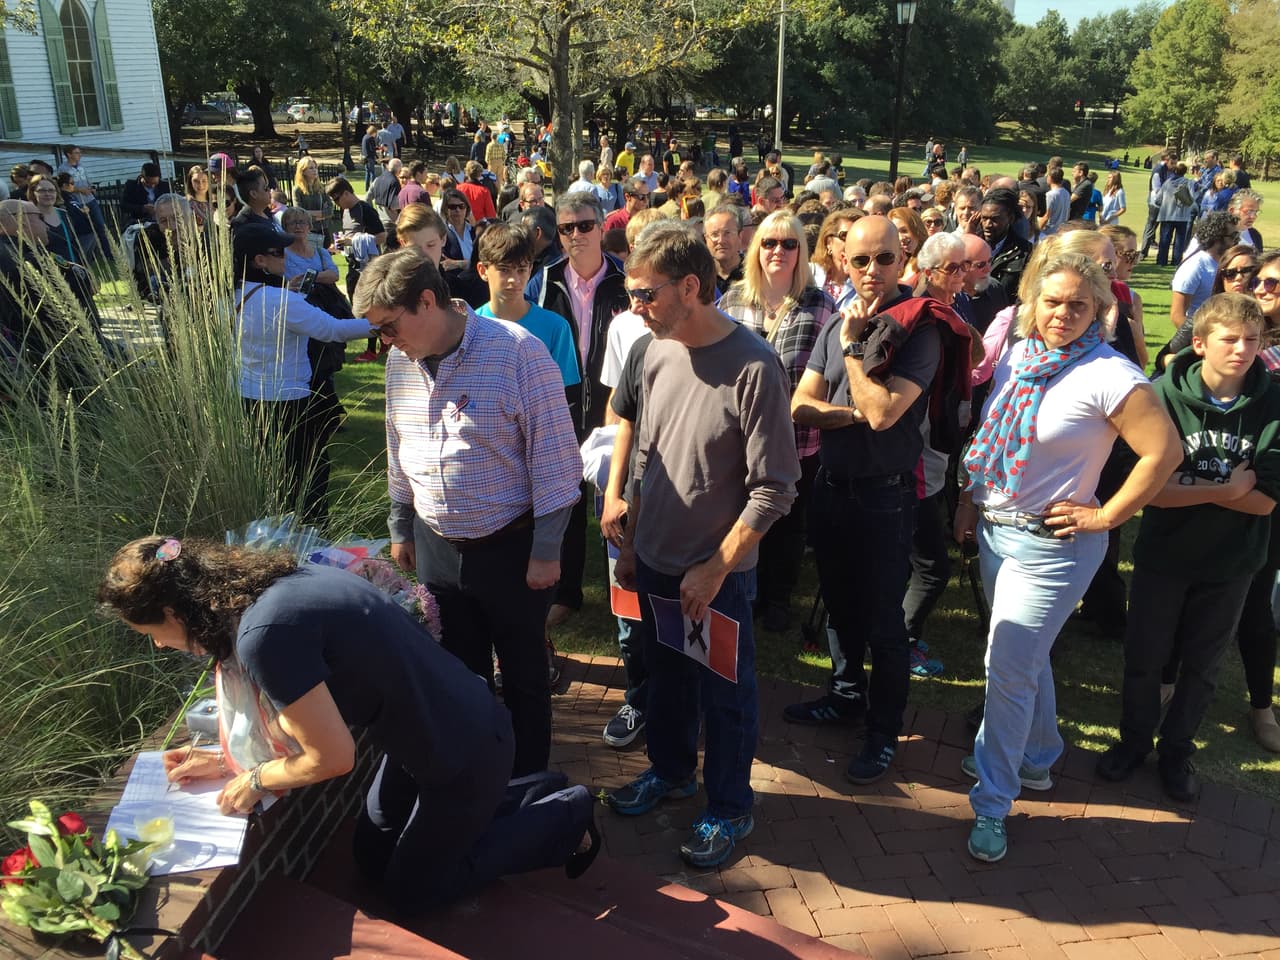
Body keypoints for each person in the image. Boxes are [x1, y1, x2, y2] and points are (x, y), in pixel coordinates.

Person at [98, 537, 599, 915]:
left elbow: (332, 758)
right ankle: (535, 788)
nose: (160, 645)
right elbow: (303, 720)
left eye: (153, 634)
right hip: (423, 739)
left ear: (171, 611)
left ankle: (565, 817)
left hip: (464, 753)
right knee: (371, 858)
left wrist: (253, 779)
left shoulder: (264, 637)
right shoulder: (267, 589)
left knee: (412, 895)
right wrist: (226, 758)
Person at [954, 242, 1180, 863]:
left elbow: (1164, 454)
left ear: (1100, 308)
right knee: (1024, 655)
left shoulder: (1112, 375)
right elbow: (992, 435)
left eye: (1078, 305)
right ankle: (1039, 756)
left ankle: (992, 802)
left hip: (1057, 545)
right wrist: (971, 501)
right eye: (1051, 301)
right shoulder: (1021, 355)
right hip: (998, 530)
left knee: (1006, 663)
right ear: (1031, 300)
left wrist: (1106, 514)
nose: (1062, 314)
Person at [606, 222, 799, 868]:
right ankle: (670, 772)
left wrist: (716, 569)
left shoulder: (754, 365)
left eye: (645, 294)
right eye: (631, 294)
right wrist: (632, 545)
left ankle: (729, 807)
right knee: (667, 681)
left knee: (726, 697)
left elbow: (776, 488)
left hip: (717, 579)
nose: (635, 307)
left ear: (691, 286)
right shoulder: (655, 350)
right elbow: (647, 458)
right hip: (657, 565)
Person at [355, 247, 583, 778]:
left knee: (524, 676)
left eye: (388, 327)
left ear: (428, 301)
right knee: (460, 673)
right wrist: (400, 524)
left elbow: (557, 460)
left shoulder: (518, 354)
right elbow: (398, 444)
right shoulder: (399, 361)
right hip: (436, 546)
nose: (384, 341)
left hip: (512, 548)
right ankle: (478, 775)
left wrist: (547, 551)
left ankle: (526, 785)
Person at [1095, 294, 1280, 802]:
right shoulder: (1161, 396)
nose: (1243, 350)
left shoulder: (1273, 404)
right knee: (1145, 655)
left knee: (1202, 664)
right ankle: (1133, 741)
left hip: (1232, 563)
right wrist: (1224, 491)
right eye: (1230, 339)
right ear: (1198, 344)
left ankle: (1178, 750)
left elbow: (1266, 502)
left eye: (1253, 340)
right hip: (1163, 556)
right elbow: (1145, 488)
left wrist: (1186, 489)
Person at [782, 215, 946, 783]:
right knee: (838, 607)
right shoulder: (836, 323)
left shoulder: (920, 327)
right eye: (860, 261)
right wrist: (852, 413)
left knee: (882, 621)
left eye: (884, 259)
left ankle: (882, 732)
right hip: (832, 487)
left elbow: (884, 413)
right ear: (841, 260)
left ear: (905, 260)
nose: (872, 271)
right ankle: (845, 693)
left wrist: (854, 351)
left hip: (885, 498)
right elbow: (801, 405)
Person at [718, 212, 834, 633]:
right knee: (742, 512)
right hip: (739, 436)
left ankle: (778, 597)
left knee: (788, 519)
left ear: (801, 251)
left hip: (797, 436)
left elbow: (831, 368)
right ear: (756, 249)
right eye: (770, 243)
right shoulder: (731, 301)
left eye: (789, 244)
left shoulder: (819, 304)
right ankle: (745, 590)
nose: (778, 251)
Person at [533, 193, 630, 628]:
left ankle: (627, 587)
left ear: (602, 226)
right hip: (560, 406)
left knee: (619, 497)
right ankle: (567, 591)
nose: (575, 236)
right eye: (566, 228)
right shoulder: (544, 280)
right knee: (565, 500)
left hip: (617, 406)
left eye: (584, 226)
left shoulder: (626, 281)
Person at [232, 224, 373, 522]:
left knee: (272, 469)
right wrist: (382, 324)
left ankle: (278, 525)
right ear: (260, 261)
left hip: (248, 397)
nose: (285, 258)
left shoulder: (233, 296)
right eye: (278, 253)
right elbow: (333, 329)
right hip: (290, 399)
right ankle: (310, 528)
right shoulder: (282, 302)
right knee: (308, 470)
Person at [474, 222, 580, 396]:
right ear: (483, 270)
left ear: (530, 269)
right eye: (504, 270)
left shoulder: (556, 328)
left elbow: (565, 396)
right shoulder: (470, 326)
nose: (514, 280)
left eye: (521, 270)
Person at [1170, 212, 1238, 336]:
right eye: (1233, 236)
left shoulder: (1229, 262)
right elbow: (1177, 316)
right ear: (1217, 237)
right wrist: (1204, 341)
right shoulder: (1194, 267)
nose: (1236, 241)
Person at [977, 188, 1033, 304]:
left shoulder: (1025, 252)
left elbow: (1025, 295)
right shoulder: (971, 246)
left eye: (994, 219)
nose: (988, 225)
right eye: (984, 218)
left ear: (1010, 218)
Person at [1155, 162, 1195, 266]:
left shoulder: (1168, 182)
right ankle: (1176, 261)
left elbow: (1158, 199)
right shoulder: (1188, 182)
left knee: (1164, 239)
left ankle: (1161, 260)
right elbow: (1192, 198)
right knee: (1179, 240)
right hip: (1182, 216)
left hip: (1167, 215)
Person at [703, 205, 746, 298]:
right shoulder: (701, 276)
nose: (721, 240)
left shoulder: (753, 272)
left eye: (727, 233)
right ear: (706, 239)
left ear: (740, 236)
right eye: (714, 234)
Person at [121, 162, 173, 226]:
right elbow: (124, 206)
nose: (152, 186)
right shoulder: (131, 186)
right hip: (140, 222)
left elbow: (172, 202)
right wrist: (142, 208)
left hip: (162, 221)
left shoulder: (165, 186)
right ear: (142, 177)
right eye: (149, 183)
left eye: (155, 183)